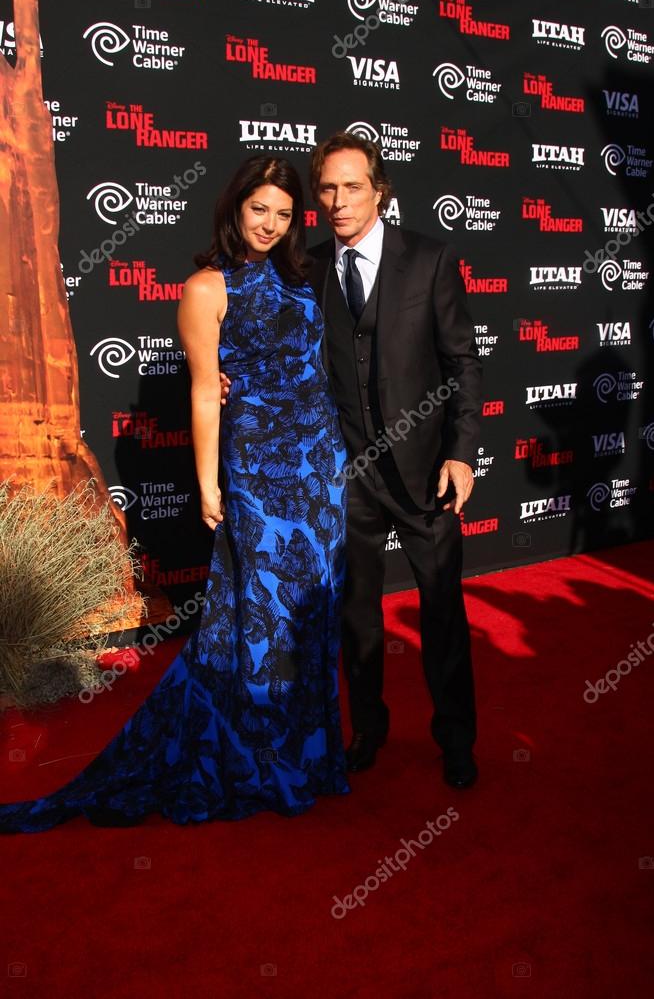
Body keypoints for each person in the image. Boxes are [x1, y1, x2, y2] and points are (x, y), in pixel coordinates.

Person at [0, 156, 350, 832]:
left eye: (283, 214)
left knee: (312, 612)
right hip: (257, 468)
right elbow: (204, 390)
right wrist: (209, 482)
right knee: (263, 614)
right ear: (234, 208)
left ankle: (310, 755)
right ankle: (261, 759)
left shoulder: (305, 278)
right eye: (259, 209)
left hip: (320, 466)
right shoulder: (206, 288)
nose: (270, 225)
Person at [223, 133, 482, 789]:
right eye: (328, 189)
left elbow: (462, 363)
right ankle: (368, 728)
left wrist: (461, 453)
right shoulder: (305, 269)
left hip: (425, 473)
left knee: (442, 612)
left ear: (379, 190)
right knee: (357, 614)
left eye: (352, 187)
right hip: (346, 477)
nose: (338, 201)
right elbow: (265, 341)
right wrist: (226, 376)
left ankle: (456, 739)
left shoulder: (429, 259)